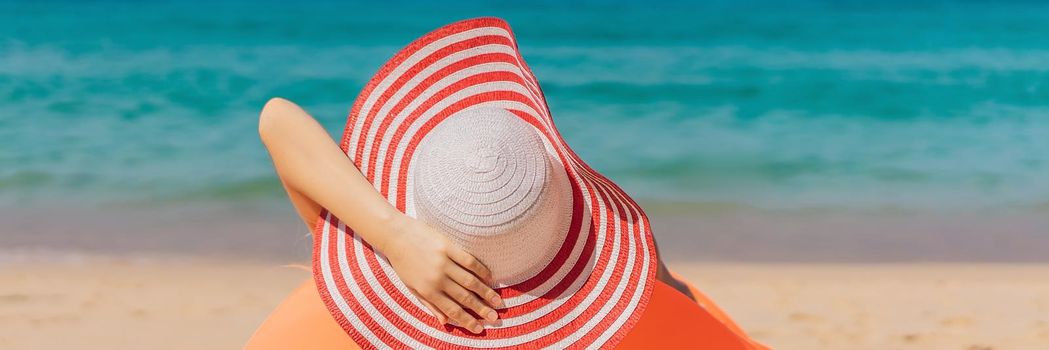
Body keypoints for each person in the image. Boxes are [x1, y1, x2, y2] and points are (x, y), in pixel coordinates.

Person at [245, 17, 769, 349]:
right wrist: (658, 278)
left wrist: (394, 236)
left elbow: (278, 119)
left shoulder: (340, 318)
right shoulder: (643, 323)